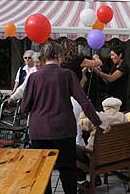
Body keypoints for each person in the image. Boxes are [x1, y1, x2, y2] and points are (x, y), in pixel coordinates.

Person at [21, 41, 110, 194]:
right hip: (63, 130)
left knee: (43, 172)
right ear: (60, 57)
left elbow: (24, 108)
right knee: (67, 169)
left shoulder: (34, 77)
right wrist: (98, 122)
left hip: (39, 130)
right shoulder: (67, 75)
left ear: (43, 57)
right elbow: (84, 102)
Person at [76, 97, 127, 190]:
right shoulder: (123, 117)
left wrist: (85, 110)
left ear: (104, 107)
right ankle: (96, 178)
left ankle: (83, 182)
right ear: (118, 107)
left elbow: (81, 124)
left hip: (96, 157)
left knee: (71, 151)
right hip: (117, 156)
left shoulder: (99, 116)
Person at [93, 45, 129, 111]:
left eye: (113, 55)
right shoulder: (114, 65)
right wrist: (99, 70)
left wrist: (97, 72)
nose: (111, 57)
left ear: (120, 55)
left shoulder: (124, 66)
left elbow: (111, 78)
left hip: (119, 97)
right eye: (111, 55)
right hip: (111, 95)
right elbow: (107, 80)